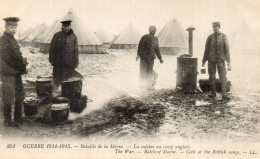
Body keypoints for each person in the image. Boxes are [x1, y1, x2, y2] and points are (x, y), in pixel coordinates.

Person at [0, 17, 27, 127]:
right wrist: (24, 67)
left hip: (15, 71)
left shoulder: (12, 38)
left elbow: (17, 56)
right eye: (11, 27)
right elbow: (9, 59)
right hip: (8, 72)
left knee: (19, 94)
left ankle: (18, 117)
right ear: (6, 27)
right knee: (8, 96)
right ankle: (7, 121)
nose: (14, 29)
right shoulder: (4, 40)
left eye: (15, 27)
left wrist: (22, 66)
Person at [202, 22, 231, 100]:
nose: (214, 28)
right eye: (213, 27)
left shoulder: (224, 37)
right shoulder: (210, 37)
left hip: (221, 61)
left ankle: (224, 95)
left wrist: (228, 62)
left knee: (223, 77)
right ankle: (213, 93)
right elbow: (206, 50)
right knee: (212, 77)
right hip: (211, 60)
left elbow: (227, 50)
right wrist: (204, 60)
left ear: (219, 27)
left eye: (216, 27)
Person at [49, 20, 79, 91]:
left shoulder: (73, 37)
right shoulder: (57, 35)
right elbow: (52, 48)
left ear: (70, 26)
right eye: (65, 26)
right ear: (62, 26)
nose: (67, 28)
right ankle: (57, 93)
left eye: (68, 26)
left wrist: (76, 62)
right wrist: (51, 60)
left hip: (69, 63)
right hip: (58, 63)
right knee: (57, 80)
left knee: (68, 81)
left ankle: (66, 95)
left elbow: (76, 51)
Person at [136, 25, 163, 89]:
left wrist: (160, 58)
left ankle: (148, 86)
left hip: (151, 58)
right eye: (152, 29)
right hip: (144, 57)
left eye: (154, 30)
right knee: (143, 71)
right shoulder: (144, 37)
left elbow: (157, 49)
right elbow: (140, 46)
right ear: (149, 30)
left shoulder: (156, 39)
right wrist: (138, 55)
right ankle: (141, 86)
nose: (153, 31)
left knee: (150, 72)